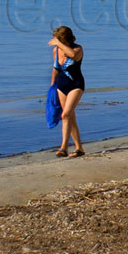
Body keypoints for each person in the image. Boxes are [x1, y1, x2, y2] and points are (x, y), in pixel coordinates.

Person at [49, 26, 85, 157]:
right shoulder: (56, 51)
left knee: (66, 115)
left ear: (66, 38)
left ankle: (63, 147)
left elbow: (73, 55)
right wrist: (52, 86)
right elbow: (55, 68)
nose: (57, 41)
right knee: (70, 117)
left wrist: (58, 43)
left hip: (76, 85)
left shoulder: (78, 49)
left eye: (60, 39)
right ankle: (79, 148)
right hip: (61, 85)